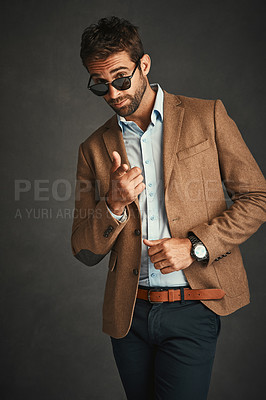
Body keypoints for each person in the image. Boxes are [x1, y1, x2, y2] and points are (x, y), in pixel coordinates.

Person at [71, 16, 266, 400]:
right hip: (129, 319)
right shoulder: (93, 148)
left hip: (193, 309)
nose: (112, 93)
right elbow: (83, 249)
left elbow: (258, 198)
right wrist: (113, 202)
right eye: (100, 84)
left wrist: (195, 246)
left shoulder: (206, 115)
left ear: (144, 65)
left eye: (121, 78)